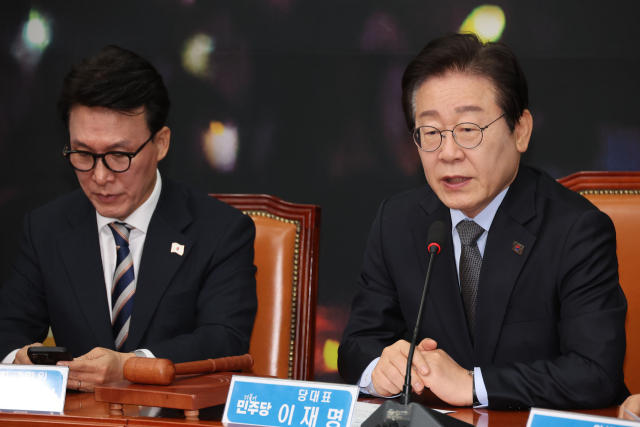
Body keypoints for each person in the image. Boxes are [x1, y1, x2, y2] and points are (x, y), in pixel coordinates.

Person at [338, 33, 628, 409]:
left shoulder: (576, 230)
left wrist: (472, 385)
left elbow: (595, 372)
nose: (448, 153)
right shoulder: (397, 220)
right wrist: (381, 369)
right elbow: (357, 346)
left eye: (468, 130)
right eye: (430, 133)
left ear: (520, 131)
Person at [0, 46, 257, 392]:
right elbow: (9, 328)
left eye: (119, 155)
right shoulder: (46, 228)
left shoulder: (220, 231)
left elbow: (225, 338)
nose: (100, 176)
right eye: (83, 154)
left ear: (161, 143)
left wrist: (133, 366)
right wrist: (18, 359)